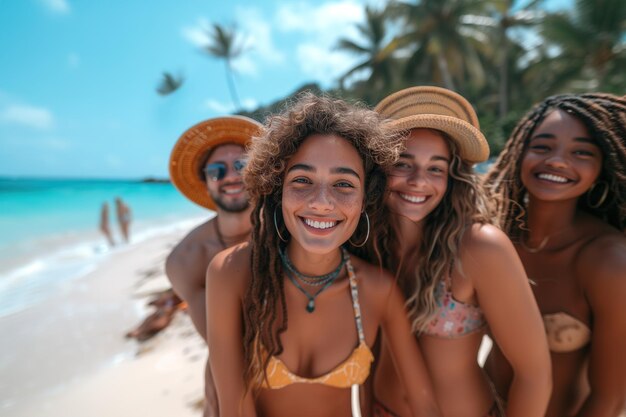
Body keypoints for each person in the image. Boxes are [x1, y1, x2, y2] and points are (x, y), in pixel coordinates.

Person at [206, 93, 441, 417]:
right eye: (302, 180)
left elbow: (423, 403)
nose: (321, 202)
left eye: (343, 184)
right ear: (277, 188)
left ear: (365, 199)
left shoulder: (376, 290)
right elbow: (233, 409)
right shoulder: (232, 273)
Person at [371, 86, 552, 417]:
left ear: (452, 177)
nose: (418, 181)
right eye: (403, 163)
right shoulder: (366, 245)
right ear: (378, 169)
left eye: (435, 168)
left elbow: (534, 375)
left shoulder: (480, 249)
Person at [483, 93, 626, 417]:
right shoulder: (493, 237)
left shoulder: (609, 262)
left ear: (601, 165)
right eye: (543, 147)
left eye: (581, 152)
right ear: (519, 152)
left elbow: (610, 399)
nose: (558, 161)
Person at [166, 115, 262, 416]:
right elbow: (222, 344)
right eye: (217, 170)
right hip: (230, 383)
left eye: (242, 166)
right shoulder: (187, 258)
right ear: (206, 183)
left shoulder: (289, 230)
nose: (231, 176)